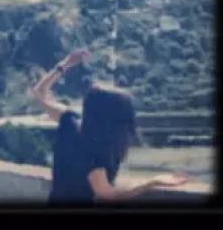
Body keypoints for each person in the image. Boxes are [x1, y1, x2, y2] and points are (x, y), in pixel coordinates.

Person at [28, 48, 190, 203]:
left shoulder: (69, 122)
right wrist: (152, 182)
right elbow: (108, 194)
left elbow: (40, 93)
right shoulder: (96, 152)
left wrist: (67, 63)